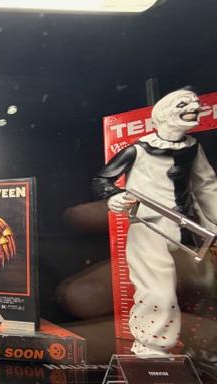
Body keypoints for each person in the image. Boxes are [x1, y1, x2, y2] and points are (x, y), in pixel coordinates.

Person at [92, 88, 217, 357]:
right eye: (183, 104)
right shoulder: (137, 150)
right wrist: (114, 196)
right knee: (157, 291)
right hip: (149, 225)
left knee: (203, 287)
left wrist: (214, 222)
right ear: (164, 113)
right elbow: (103, 180)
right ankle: (152, 345)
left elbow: (206, 186)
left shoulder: (193, 149)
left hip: (188, 228)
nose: (193, 108)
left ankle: (204, 346)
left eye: (195, 104)